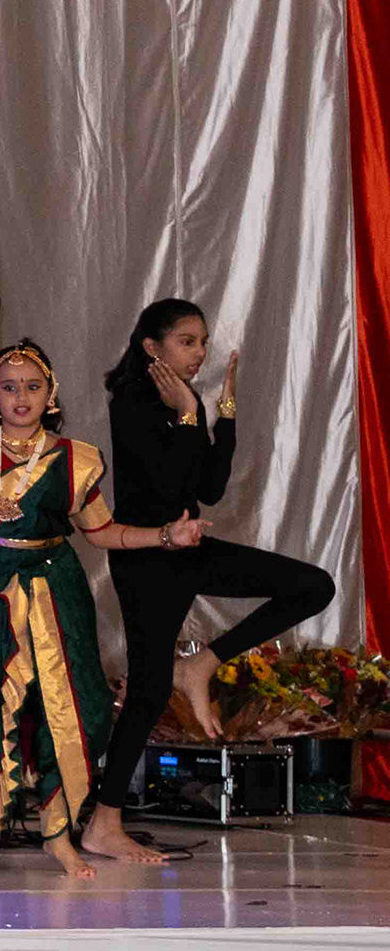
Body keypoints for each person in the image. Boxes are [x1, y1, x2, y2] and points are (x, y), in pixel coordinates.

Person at [0, 340, 192, 882]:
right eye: (9, 387)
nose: (21, 396)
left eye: (32, 386)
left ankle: (58, 833)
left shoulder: (76, 459)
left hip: (56, 582)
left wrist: (165, 537)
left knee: (80, 706)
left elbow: (102, 531)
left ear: (50, 394)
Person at [97, 298, 331, 861]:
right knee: (149, 691)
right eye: (186, 341)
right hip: (150, 555)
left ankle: (201, 662)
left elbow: (210, 489)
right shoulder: (131, 402)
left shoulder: (186, 399)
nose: (200, 352)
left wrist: (222, 413)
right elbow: (164, 491)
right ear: (151, 347)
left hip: (190, 549)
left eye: (202, 341)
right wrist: (186, 415)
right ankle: (103, 824)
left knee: (312, 585)